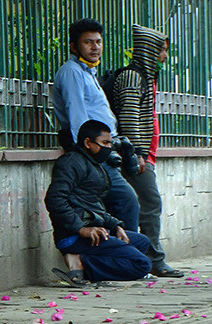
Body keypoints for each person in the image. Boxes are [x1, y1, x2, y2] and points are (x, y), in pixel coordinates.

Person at [49, 18, 140, 232]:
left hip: (104, 149)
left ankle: (120, 258)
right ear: (74, 46)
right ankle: (128, 258)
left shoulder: (87, 72)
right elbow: (77, 116)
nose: (95, 47)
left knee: (108, 211)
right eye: (88, 42)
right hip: (94, 153)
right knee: (127, 201)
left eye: (98, 42)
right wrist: (94, 153)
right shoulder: (72, 72)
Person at [111, 25, 185, 278]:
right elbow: (129, 117)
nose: (164, 56)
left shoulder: (146, 77)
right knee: (151, 203)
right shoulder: (133, 77)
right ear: (150, 51)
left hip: (144, 155)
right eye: (162, 51)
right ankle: (154, 259)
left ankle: (141, 259)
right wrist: (137, 153)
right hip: (135, 156)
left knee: (141, 205)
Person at [44, 120, 152, 285]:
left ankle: (87, 259)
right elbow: (55, 199)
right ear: (88, 142)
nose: (109, 147)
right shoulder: (71, 162)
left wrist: (116, 226)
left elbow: (94, 206)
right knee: (142, 264)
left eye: (110, 143)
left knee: (141, 242)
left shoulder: (93, 164)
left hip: (94, 229)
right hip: (74, 234)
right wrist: (81, 229)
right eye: (104, 143)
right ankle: (80, 262)